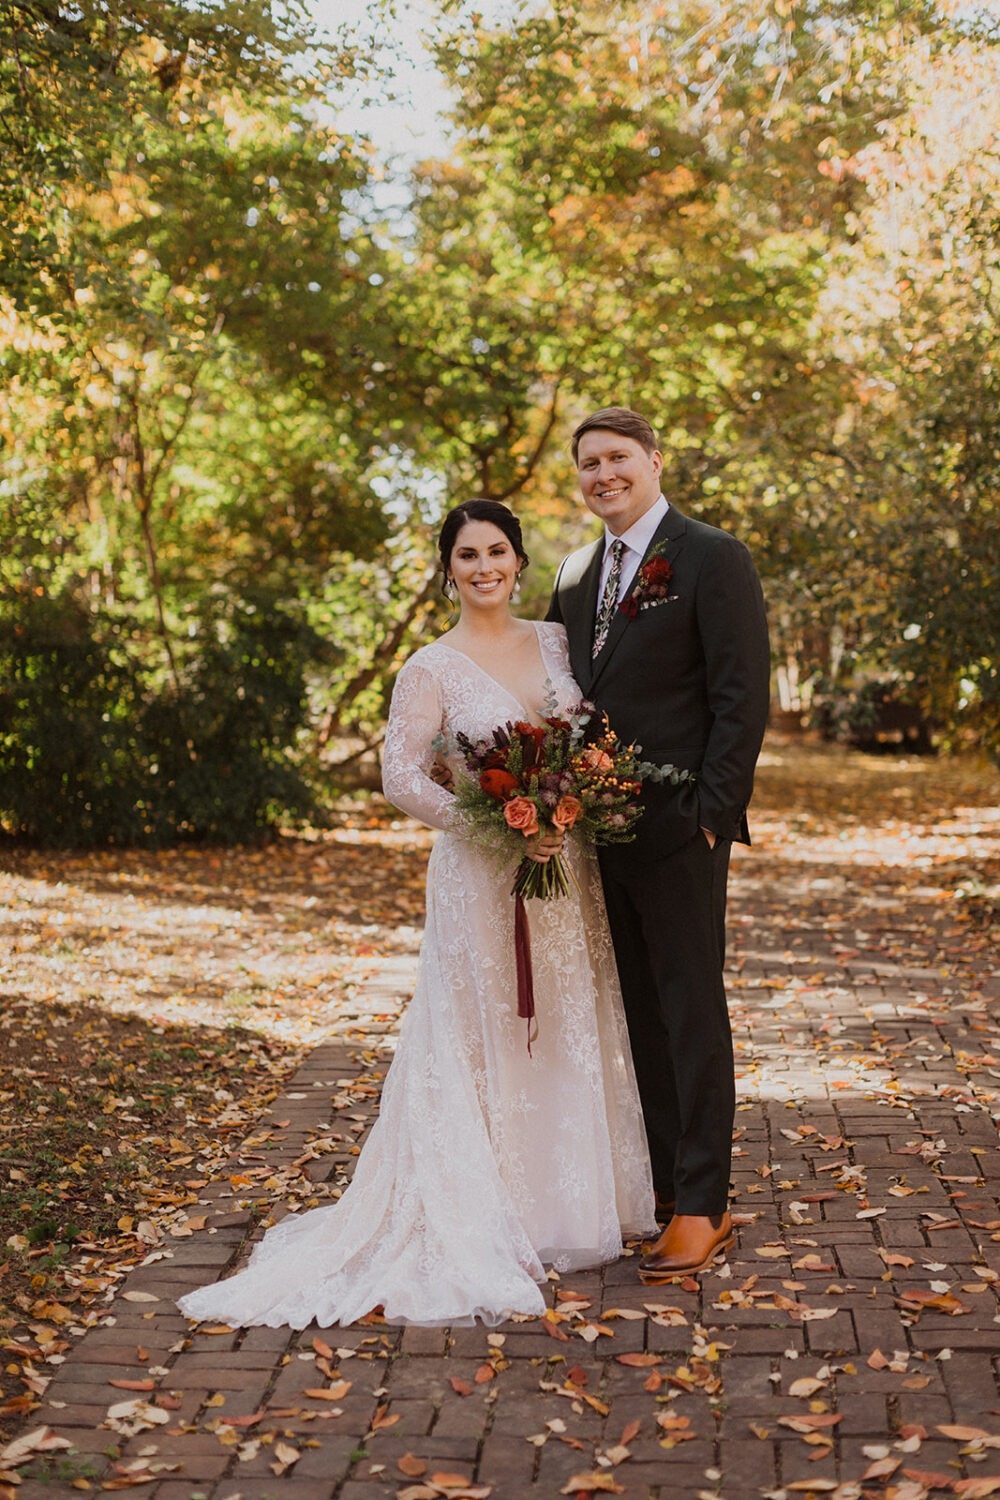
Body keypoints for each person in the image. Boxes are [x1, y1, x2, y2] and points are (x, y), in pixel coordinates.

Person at [176, 499, 655, 1330]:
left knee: (562, 1017)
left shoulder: (554, 641)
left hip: (562, 863)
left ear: (518, 560)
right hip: (480, 866)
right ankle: (483, 1205)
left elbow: (587, 738)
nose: (484, 567)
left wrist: (564, 811)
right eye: (467, 555)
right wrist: (492, 822)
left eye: (497, 551)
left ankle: (564, 1209)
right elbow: (401, 776)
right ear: (448, 569)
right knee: (483, 1023)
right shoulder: (428, 667)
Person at [548, 408, 770, 1282]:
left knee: (690, 1010)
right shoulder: (572, 575)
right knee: (639, 1011)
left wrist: (710, 815)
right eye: (589, 463)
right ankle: (674, 1191)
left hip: (682, 829)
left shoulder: (711, 556)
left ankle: (707, 1206)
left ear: (653, 461)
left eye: (617, 458)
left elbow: (740, 697)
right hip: (598, 832)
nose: (604, 474)